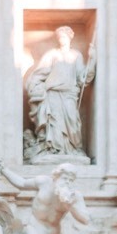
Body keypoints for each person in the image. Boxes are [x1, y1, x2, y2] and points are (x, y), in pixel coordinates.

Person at [25, 26, 95, 158]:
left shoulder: (76, 55)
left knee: (72, 120)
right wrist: (34, 85)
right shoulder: (52, 54)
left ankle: (73, 148)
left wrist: (92, 60)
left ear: (69, 37)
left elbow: (83, 77)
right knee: (54, 123)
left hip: (69, 94)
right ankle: (53, 150)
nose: (61, 39)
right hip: (52, 93)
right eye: (60, 37)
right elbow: (41, 72)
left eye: (64, 37)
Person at [0, 162, 90, 234]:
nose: (67, 182)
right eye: (64, 178)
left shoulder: (74, 196)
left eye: (70, 180)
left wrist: (71, 205)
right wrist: (4, 170)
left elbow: (85, 220)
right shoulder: (44, 182)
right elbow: (22, 183)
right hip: (35, 230)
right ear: (56, 177)